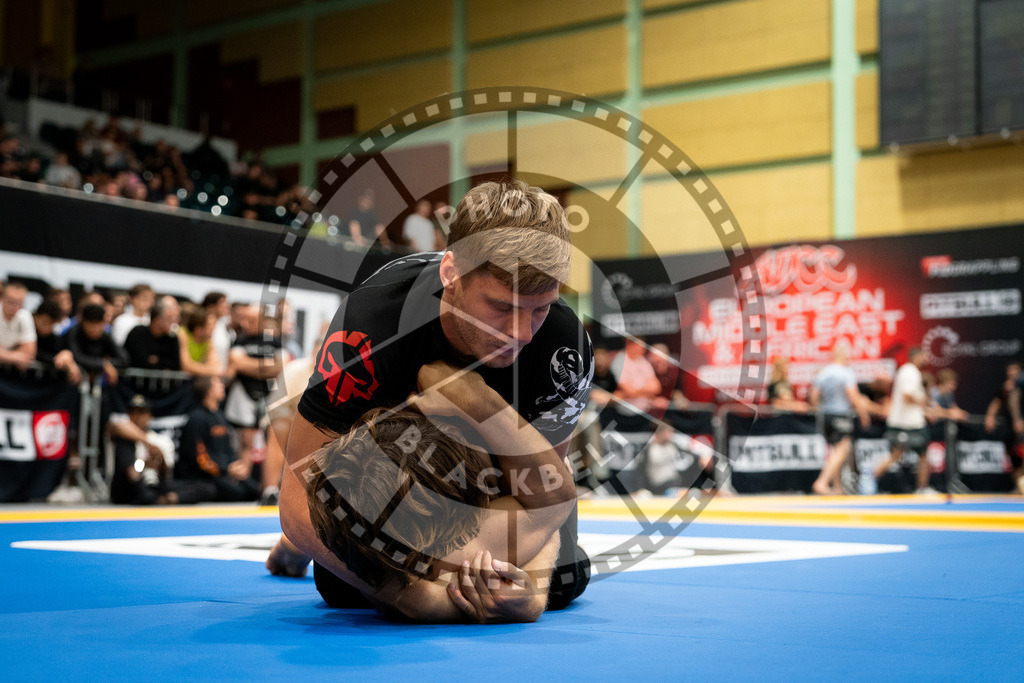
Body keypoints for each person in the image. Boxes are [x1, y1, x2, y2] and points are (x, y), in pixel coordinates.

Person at [269, 178, 593, 622]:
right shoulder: (372, 325)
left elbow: (545, 492)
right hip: (393, 491)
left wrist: (534, 591)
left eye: (540, 308)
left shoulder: (562, 349)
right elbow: (297, 500)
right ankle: (297, 550)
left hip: (493, 486)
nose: (521, 333)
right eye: (501, 307)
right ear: (451, 274)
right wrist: (412, 595)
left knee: (563, 579)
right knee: (342, 586)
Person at [225, 304, 284, 498]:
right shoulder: (240, 339)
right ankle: (243, 486)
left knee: (271, 442)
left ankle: (268, 488)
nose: (245, 324)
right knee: (246, 442)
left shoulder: (273, 341)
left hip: (268, 396)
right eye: (244, 319)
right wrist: (266, 367)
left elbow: (281, 365)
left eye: (250, 320)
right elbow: (236, 362)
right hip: (244, 394)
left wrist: (249, 366)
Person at [176, 376, 261, 502]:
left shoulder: (220, 417)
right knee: (237, 493)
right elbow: (200, 458)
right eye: (218, 384)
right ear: (209, 390)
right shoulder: (197, 418)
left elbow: (229, 449)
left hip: (225, 473)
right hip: (203, 477)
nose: (222, 386)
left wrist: (236, 466)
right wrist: (226, 469)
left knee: (255, 490)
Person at [808, 346, 870, 495]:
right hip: (840, 415)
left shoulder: (824, 372)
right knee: (843, 448)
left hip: (825, 415)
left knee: (835, 451)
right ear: (844, 356)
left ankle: (837, 487)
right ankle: (822, 482)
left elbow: (813, 396)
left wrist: (820, 408)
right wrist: (863, 414)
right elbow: (853, 395)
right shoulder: (845, 373)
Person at [872, 347, 933, 493]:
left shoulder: (907, 371)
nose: (925, 358)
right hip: (909, 423)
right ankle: (922, 488)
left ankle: (869, 479)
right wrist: (923, 401)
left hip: (905, 422)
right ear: (917, 356)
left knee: (898, 455)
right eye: (923, 355)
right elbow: (907, 396)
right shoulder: (910, 371)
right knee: (921, 456)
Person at [109, 395, 178, 505]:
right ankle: (148, 496)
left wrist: (159, 460)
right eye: (132, 412)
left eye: (141, 412)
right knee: (124, 444)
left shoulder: (162, 440)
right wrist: (148, 445)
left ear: (150, 416)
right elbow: (117, 425)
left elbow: (168, 472)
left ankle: (160, 497)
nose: (137, 416)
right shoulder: (126, 437)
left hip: (155, 484)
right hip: (130, 488)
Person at [984, 361, 1024, 494]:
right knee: (1014, 457)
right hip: (1010, 428)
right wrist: (990, 416)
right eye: (1010, 370)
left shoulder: (1020, 384)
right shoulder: (1006, 388)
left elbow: (1014, 401)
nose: (1012, 373)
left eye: (1015, 370)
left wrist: (1018, 419)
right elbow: (996, 402)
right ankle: (1019, 487)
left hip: (1020, 426)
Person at [65, 303, 127, 384]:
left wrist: (106, 364)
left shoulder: (105, 335)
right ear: (83, 322)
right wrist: (103, 364)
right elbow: (76, 356)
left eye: (97, 325)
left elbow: (124, 359)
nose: (94, 330)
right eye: (90, 326)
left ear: (103, 323)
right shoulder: (73, 333)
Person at [123, 295, 182, 371]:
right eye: (170, 319)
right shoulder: (138, 333)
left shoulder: (172, 338)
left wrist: (156, 360)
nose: (174, 323)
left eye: (176, 319)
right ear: (157, 320)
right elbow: (140, 362)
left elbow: (175, 365)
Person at [33, 300, 81, 383]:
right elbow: (33, 353)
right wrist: (54, 359)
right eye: (45, 322)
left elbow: (62, 351)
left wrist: (67, 355)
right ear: (35, 316)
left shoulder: (51, 336)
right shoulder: (27, 329)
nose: (48, 328)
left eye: (52, 324)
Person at [611, 337, 661, 413]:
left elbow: (656, 387)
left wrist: (635, 390)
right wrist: (648, 393)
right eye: (639, 346)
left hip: (645, 410)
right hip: (625, 412)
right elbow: (630, 391)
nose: (643, 349)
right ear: (630, 345)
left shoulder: (642, 361)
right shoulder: (619, 362)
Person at [0, 282, 36, 371]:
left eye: (19, 303)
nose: (14, 307)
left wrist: (4, 355)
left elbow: (28, 356)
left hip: (11, 371)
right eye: (11, 302)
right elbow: (20, 358)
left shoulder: (25, 316)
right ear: (2, 298)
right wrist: (14, 356)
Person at [177, 306, 223, 376]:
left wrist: (199, 369)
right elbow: (186, 366)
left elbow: (214, 364)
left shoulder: (208, 339)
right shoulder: (182, 334)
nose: (213, 329)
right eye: (210, 326)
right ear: (198, 328)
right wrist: (209, 370)